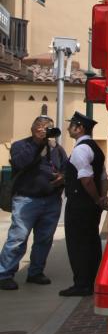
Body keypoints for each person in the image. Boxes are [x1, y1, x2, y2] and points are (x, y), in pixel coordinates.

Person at [0, 116, 68, 291]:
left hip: (51, 200)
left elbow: (66, 168)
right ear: (33, 128)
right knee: (18, 238)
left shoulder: (56, 149)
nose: (46, 130)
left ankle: (36, 272)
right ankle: (4, 274)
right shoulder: (21, 146)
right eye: (42, 127)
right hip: (26, 200)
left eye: (49, 128)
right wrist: (37, 142)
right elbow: (21, 162)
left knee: (44, 240)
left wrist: (63, 178)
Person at [60, 112, 108, 297]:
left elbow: (86, 179)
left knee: (78, 243)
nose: (68, 128)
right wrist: (102, 198)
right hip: (91, 204)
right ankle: (92, 279)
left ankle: (81, 284)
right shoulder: (96, 148)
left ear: (79, 127)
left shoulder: (81, 149)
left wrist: (96, 198)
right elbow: (103, 177)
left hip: (80, 202)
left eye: (71, 125)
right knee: (91, 241)